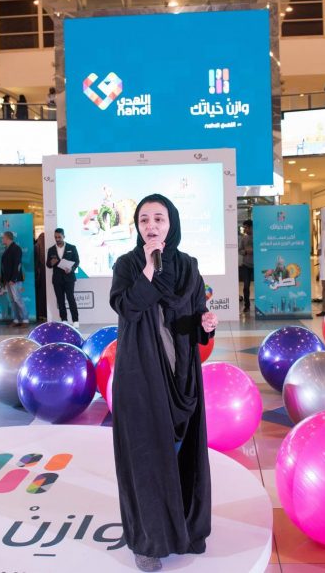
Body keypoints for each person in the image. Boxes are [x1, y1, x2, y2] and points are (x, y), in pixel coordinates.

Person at [109, 194, 216, 572]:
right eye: (144, 220)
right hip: (140, 375)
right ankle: (148, 540)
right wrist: (149, 268)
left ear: (172, 224)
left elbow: (196, 314)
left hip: (182, 373)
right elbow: (127, 306)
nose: (151, 226)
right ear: (137, 227)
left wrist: (206, 324)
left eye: (159, 218)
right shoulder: (127, 264)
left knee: (183, 454)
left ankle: (186, 528)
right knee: (147, 457)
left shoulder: (188, 266)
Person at [46, 228, 80, 327]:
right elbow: (48, 265)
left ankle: (75, 320)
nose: (57, 239)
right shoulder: (51, 249)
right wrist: (51, 263)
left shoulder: (72, 247)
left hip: (69, 278)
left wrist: (71, 269)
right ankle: (64, 320)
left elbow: (77, 261)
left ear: (64, 236)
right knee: (60, 300)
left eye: (59, 237)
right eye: (55, 237)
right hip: (57, 279)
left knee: (71, 299)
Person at [1, 231, 28, 325]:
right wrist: (4, 279)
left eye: (3, 238)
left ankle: (25, 319)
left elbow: (17, 265)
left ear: (7, 238)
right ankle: (16, 319)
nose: (2, 239)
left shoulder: (16, 248)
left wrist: (13, 279)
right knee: (12, 301)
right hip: (8, 280)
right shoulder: (7, 248)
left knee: (18, 299)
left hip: (14, 280)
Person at [238, 219, 254, 313]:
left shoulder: (258, 237)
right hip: (246, 265)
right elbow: (240, 250)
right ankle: (247, 306)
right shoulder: (243, 238)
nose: (244, 230)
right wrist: (245, 252)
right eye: (244, 228)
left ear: (251, 227)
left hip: (257, 265)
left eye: (246, 228)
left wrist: (253, 251)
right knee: (246, 286)